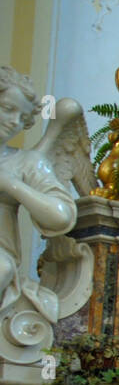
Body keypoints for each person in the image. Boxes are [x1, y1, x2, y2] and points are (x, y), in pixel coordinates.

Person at [0, 67, 76, 326]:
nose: (14, 121)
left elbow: (60, 214)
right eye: (7, 108)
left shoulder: (25, 162)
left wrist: (11, 184)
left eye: (22, 117)